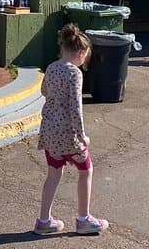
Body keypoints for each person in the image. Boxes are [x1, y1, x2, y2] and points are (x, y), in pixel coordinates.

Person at [34, 23, 109, 236]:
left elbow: (44, 90)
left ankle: (44, 220)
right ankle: (84, 219)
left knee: (53, 174)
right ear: (81, 53)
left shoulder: (51, 67)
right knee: (86, 170)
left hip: (49, 131)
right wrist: (82, 135)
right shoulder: (74, 74)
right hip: (69, 134)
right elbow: (76, 107)